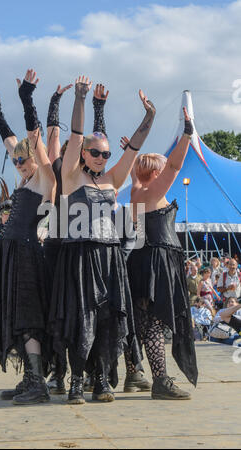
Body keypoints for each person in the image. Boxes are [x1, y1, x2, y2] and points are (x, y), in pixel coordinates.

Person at [48, 77, 154, 404]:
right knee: (83, 319)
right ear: (84, 154)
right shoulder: (70, 174)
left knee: (108, 320)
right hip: (78, 257)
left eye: (106, 154)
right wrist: (80, 100)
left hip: (109, 258)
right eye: (95, 153)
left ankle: (101, 380)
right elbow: (78, 135)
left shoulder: (112, 179)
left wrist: (149, 117)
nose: (101, 158)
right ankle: (77, 381)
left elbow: (133, 149)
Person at [0, 69, 56, 405]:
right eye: (15, 160)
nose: (18, 163)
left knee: (28, 316)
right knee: (16, 315)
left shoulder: (42, 179)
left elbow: (33, 137)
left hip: (26, 253)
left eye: (23, 159)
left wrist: (27, 98)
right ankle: (30, 378)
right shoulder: (23, 174)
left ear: (34, 158)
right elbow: (11, 141)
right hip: (10, 255)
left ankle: (38, 383)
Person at [127, 106, 198, 400]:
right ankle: (160, 381)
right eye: (161, 166)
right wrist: (187, 133)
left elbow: (138, 176)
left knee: (142, 325)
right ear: (155, 173)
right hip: (159, 260)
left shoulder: (135, 193)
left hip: (142, 260)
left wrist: (132, 161)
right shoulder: (154, 193)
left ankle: (135, 373)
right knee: (154, 324)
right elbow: (175, 167)